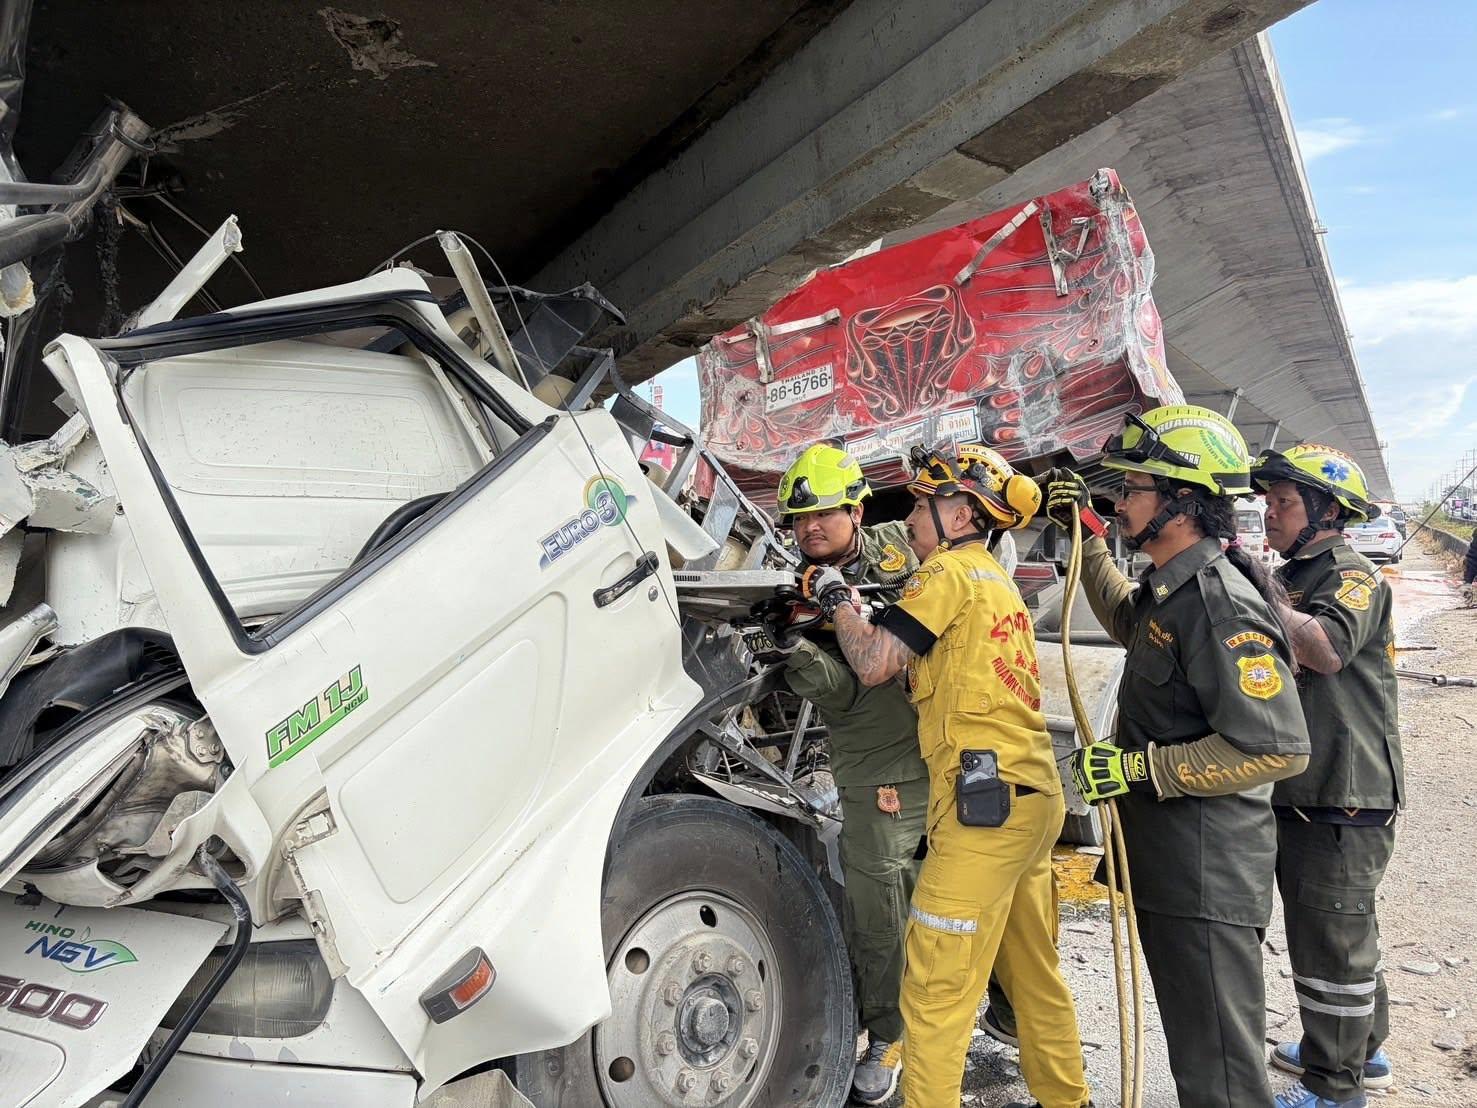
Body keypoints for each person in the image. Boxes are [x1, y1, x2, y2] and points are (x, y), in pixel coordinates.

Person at [1043, 405, 1311, 1108]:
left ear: (1182, 502)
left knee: (1217, 1072)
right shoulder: (1172, 591)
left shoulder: (1220, 604)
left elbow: (1276, 747)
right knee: (1198, 1056)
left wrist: (1140, 769)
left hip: (1206, 878)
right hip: (1172, 866)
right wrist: (1087, 538)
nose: (1120, 501)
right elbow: (1126, 621)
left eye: (1132, 490)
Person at [810, 441, 1091, 1108]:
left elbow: (875, 664)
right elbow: (923, 678)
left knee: (934, 990)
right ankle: (1067, 1100)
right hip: (1028, 799)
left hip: (981, 809)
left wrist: (834, 598)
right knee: (1031, 976)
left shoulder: (946, 575)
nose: (908, 516)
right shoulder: (994, 584)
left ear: (961, 515)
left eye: (921, 502)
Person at [742, 443, 926, 1104]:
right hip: (880, 759)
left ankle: (999, 1010)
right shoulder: (796, 593)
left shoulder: (904, 547)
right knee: (878, 907)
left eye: (822, 513)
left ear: (855, 508)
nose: (809, 528)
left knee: (965, 900)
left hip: (959, 748)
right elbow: (847, 693)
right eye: (798, 519)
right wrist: (791, 649)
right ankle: (887, 1034)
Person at [1252, 444, 1404, 1108]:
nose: (1269, 514)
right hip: (1314, 790)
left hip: (1342, 794)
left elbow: (1325, 648)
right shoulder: (1299, 573)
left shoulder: (1352, 577)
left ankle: (1334, 1089)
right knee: (1341, 933)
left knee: (1331, 950)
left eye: (1283, 503)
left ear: (1326, 512)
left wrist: (1255, 591)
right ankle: (1355, 1052)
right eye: (1268, 502)